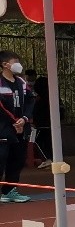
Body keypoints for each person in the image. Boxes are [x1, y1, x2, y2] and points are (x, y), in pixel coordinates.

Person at [0, 51, 35, 203]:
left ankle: (9, 191)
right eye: (15, 61)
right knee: (1, 159)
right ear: (5, 64)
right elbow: (2, 107)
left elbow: (30, 101)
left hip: (21, 128)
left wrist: (24, 119)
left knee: (17, 160)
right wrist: (14, 121)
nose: (18, 64)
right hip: (4, 129)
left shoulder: (21, 82)